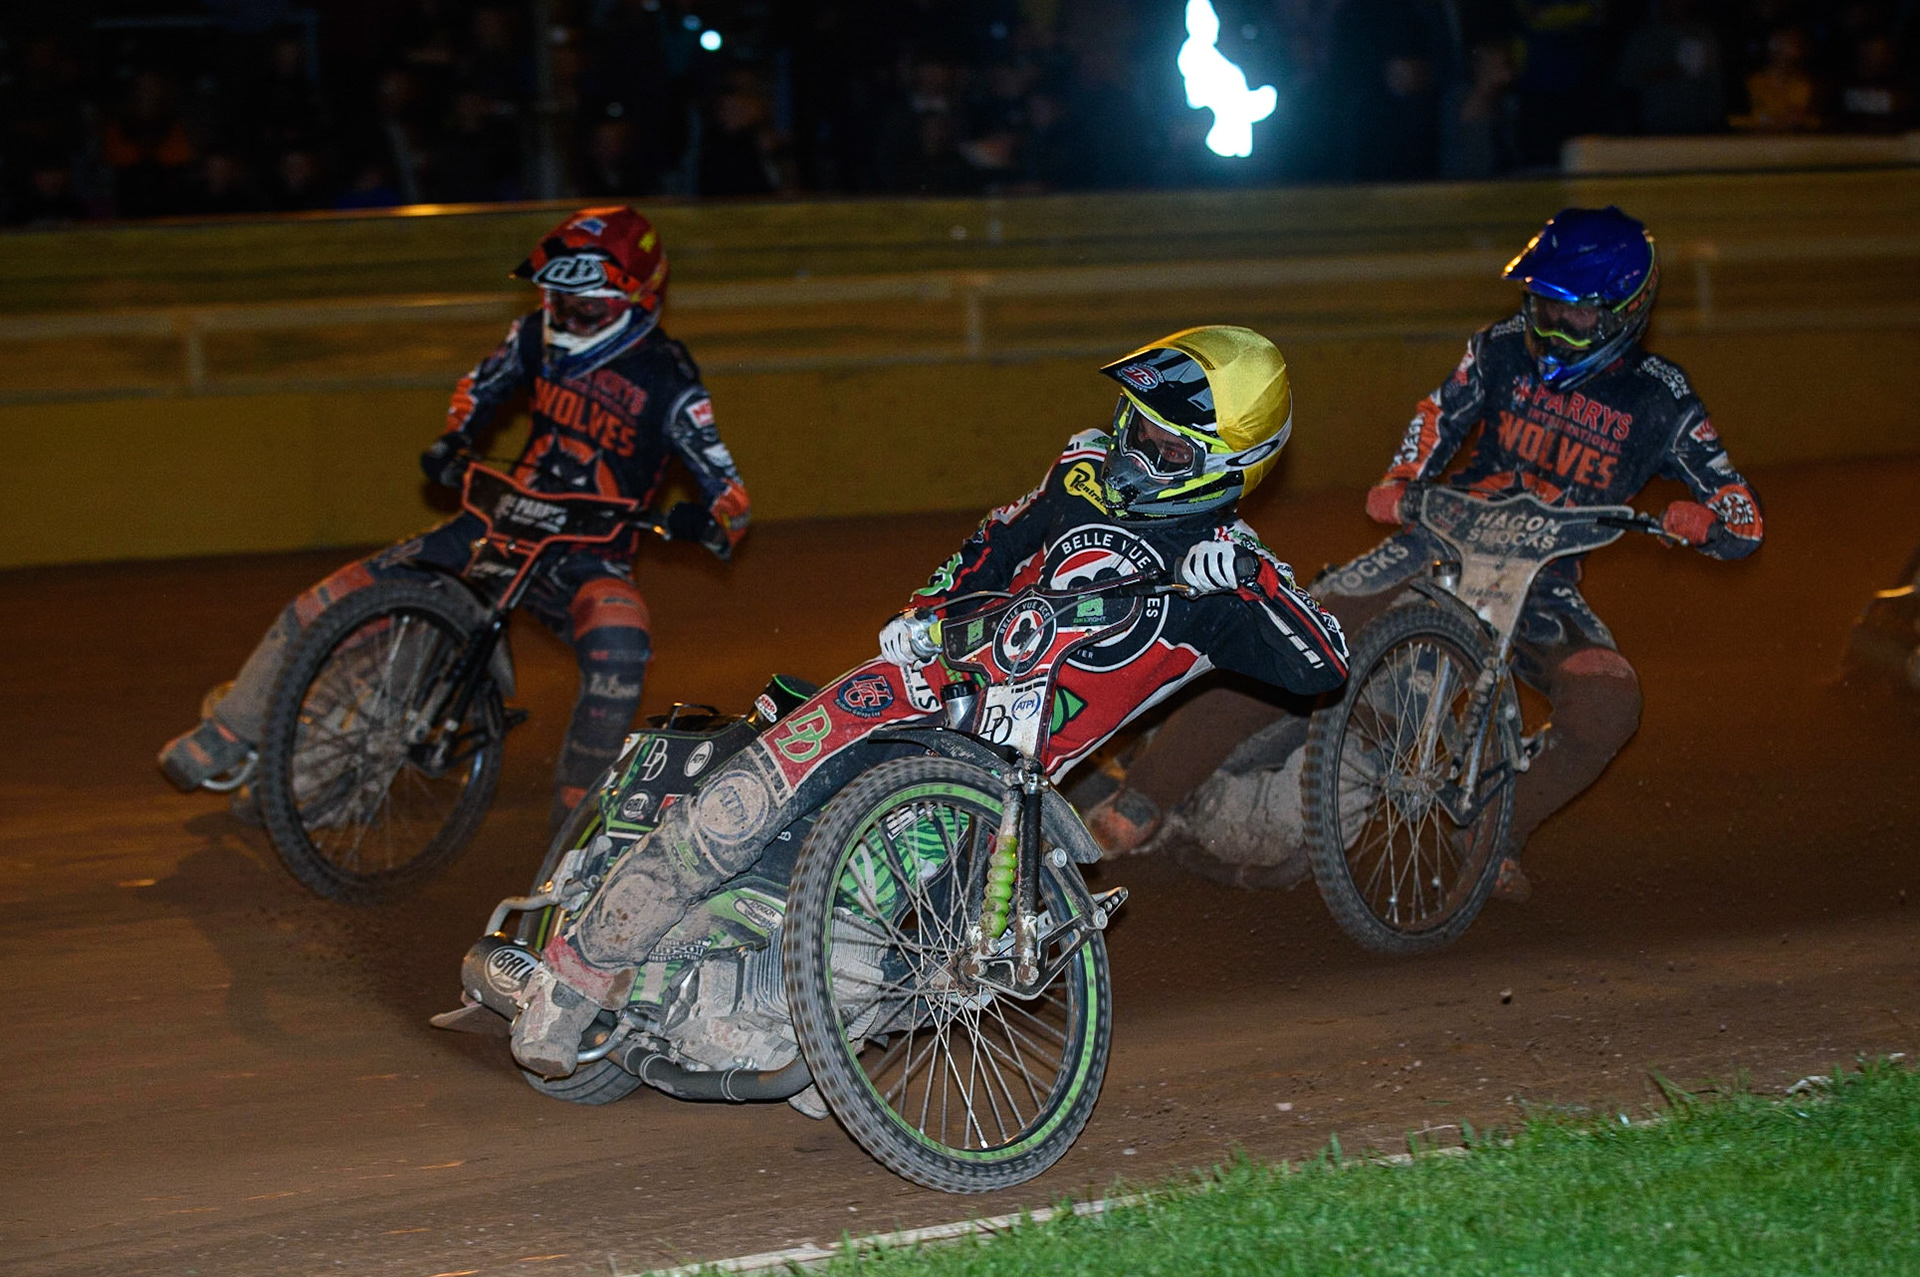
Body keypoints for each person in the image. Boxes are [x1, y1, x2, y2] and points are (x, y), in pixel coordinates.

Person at [506, 325, 1350, 1078]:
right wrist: (923, 611)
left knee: (848, 942)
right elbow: (990, 544)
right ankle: (577, 969)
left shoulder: (1229, 580)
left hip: (991, 767)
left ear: (1228, 466)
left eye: (1164, 450)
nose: (1133, 454)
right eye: (1136, 427)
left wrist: (1252, 582)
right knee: (741, 802)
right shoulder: (1082, 475)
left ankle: (764, 1018)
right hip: (918, 680)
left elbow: (1325, 663)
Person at [1086, 207, 1765, 902]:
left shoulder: (1663, 398)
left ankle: (1498, 832)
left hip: (1539, 584)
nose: (1548, 330)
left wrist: (1707, 522)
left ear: (1626, 311)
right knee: (1292, 633)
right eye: (1539, 307)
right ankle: (1143, 796)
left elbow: (1741, 512)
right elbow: (1440, 411)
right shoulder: (1501, 346)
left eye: (1573, 317)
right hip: (1436, 542)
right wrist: (1403, 476)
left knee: (1607, 697)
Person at [157, 206, 751, 827]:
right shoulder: (532, 335)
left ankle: (580, 817)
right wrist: (455, 438)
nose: (567, 320)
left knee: (621, 644)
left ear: (638, 299)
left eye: (586, 308)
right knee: (332, 597)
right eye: (558, 302)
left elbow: (730, 492)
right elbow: (480, 385)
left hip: (586, 550)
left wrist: (707, 522)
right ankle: (229, 729)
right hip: (496, 523)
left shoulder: (670, 379)